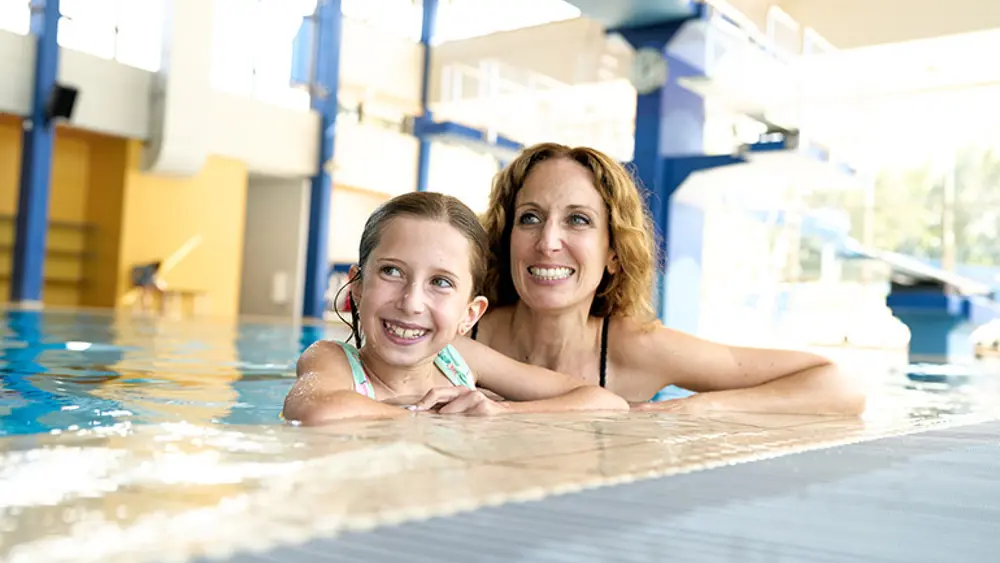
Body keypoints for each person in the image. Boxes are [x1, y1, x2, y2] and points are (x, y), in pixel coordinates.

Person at [465, 142, 867, 415]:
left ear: (614, 253)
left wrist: (696, 407)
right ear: (507, 237)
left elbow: (841, 384)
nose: (548, 241)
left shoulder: (634, 351)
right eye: (530, 218)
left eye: (578, 220)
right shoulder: (460, 333)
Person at [283, 191, 628, 425]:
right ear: (357, 285)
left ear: (470, 314)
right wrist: (431, 417)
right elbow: (315, 410)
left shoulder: (458, 358)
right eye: (392, 272)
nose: (411, 302)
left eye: (441, 282)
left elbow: (607, 403)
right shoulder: (332, 359)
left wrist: (499, 411)